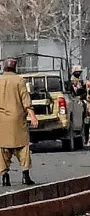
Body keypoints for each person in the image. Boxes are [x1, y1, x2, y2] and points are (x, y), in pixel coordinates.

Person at [0, 58, 37, 186]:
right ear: (15, 68)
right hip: (17, 119)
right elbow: (25, 100)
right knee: (23, 147)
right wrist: (32, 116)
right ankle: (25, 175)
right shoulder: (20, 80)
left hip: (2, 120)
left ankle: (5, 177)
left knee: (2, 149)